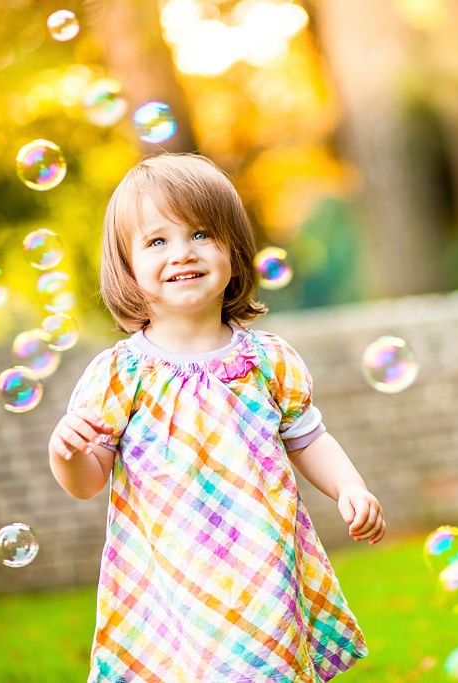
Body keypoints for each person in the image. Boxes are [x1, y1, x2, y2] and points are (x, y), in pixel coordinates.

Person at [48, 153, 385, 683]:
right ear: (127, 265)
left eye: (201, 233)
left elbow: (308, 437)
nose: (181, 252)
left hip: (263, 573)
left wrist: (350, 487)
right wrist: (65, 453)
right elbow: (88, 481)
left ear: (233, 251)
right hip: (171, 584)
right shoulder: (120, 374)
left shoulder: (267, 361)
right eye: (157, 241)